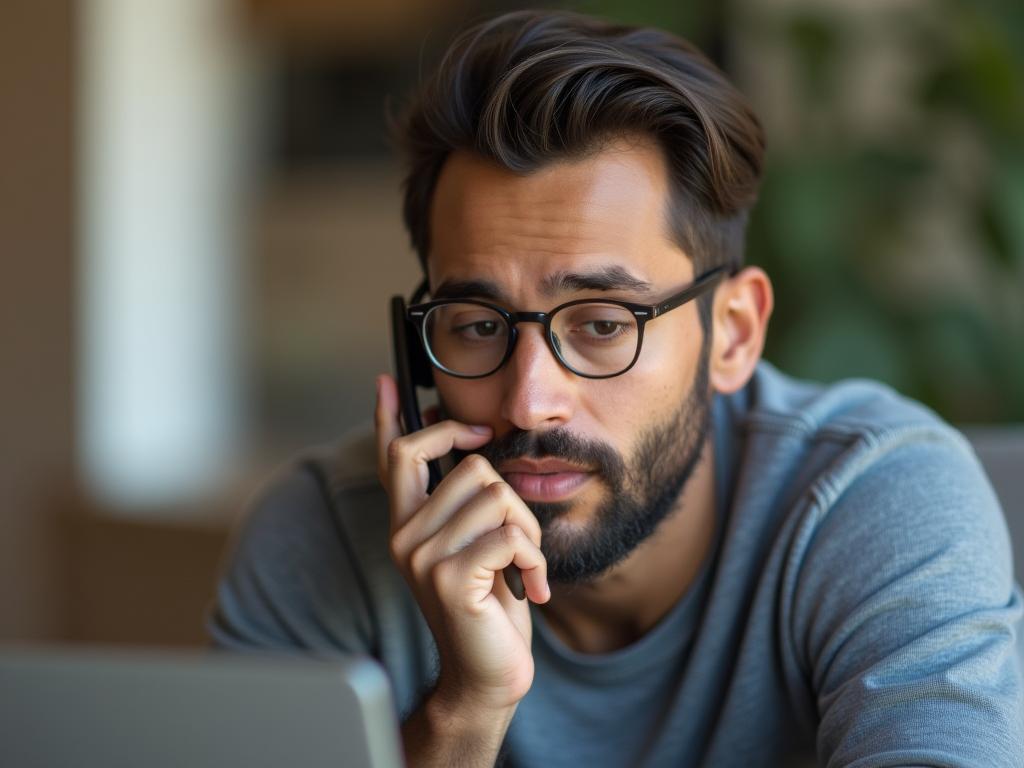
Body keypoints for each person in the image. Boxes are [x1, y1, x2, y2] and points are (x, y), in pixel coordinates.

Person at [208, 10, 1024, 767]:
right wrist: (462, 714)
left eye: (601, 324)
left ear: (732, 333)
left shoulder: (877, 501)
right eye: (479, 324)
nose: (528, 403)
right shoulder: (320, 538)